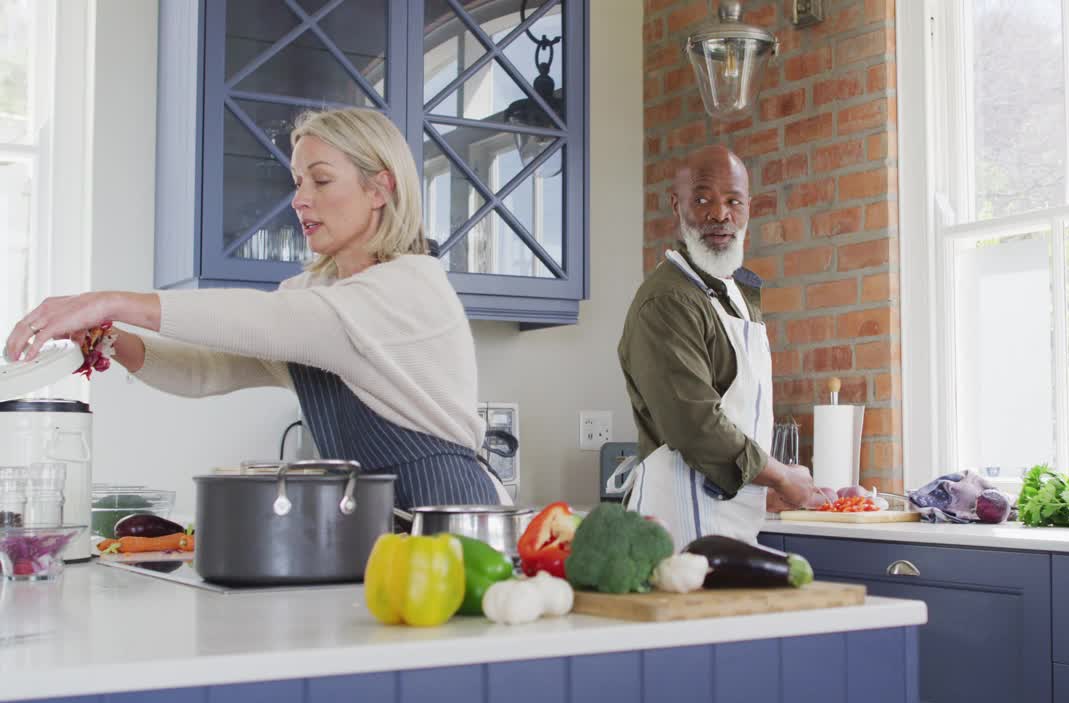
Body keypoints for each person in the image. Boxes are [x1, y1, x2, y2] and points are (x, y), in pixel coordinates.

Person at [4, 107, 508, 508]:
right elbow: (207, 371)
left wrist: (108, 300)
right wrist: (110, 337)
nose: (300, 200)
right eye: (298, 183)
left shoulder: (407, 286)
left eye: (321, 180)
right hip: (376, 517)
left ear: (380, 188)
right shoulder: (317, 296)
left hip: (451, 511)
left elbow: (266, 321)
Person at [616, 144, 817, 550]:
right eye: (703, 199)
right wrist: (779, 475)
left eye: (733, 201)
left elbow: (739, 420)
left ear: (748, 209)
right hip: (674, 523)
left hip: (731, 519)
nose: (719, 214)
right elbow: (696, 427)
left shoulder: (736, 293)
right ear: (678, 205)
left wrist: (764, 487)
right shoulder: (668, 300)